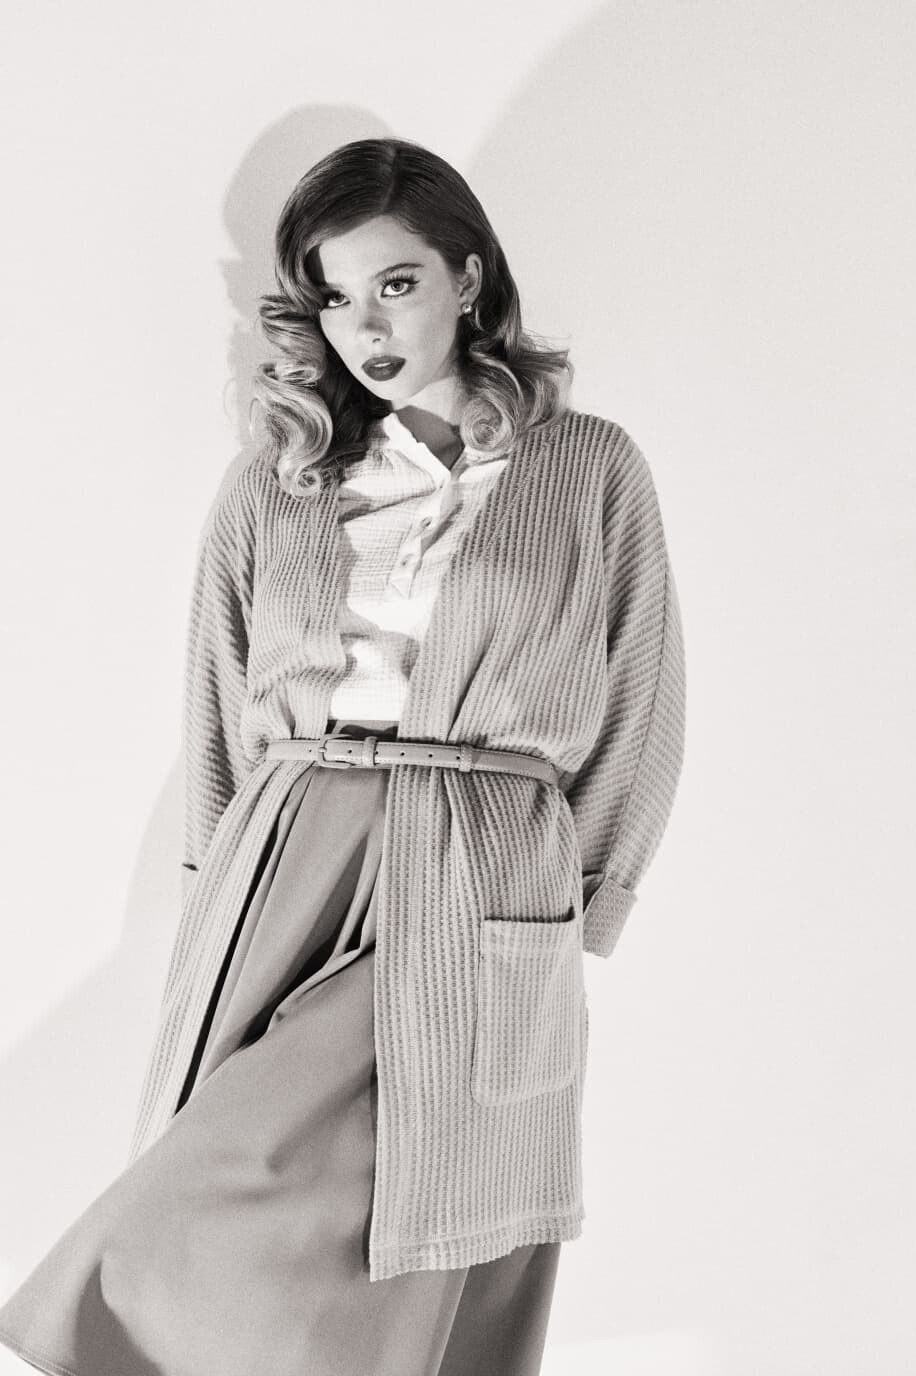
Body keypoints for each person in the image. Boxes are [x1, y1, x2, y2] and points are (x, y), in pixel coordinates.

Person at [0, 136, 686, 1376]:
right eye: (332, 295)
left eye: (395, 283)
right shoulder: (276, 479)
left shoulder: (589, 466)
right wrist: (218, 880)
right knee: (221, 1190)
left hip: (481, 858)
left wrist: (583, 893)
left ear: (466, 278)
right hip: (289, 857)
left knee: (420, 1204)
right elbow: (219, 696)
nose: (363, 325)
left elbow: (642, 689)